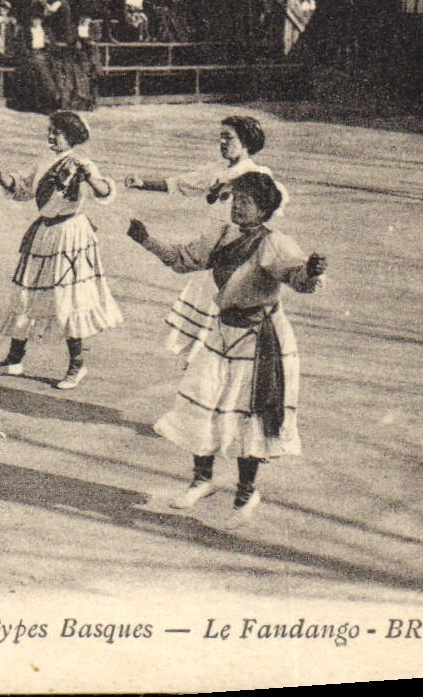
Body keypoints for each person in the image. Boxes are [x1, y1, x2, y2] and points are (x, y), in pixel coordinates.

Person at [127, 172, 326, 523]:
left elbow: (297, 279)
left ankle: (246, 490)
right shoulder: (222, 234)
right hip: (222, 332)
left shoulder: (274, 243)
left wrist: (310, 271)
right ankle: (201, 480)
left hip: (259, 338)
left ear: (264, 209)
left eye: (246, 201)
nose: (237, 205)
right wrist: (147, 241)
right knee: (201, 400)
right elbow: (183, 259)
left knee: (246, 413)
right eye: (236, 198)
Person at [0, 110, 123, 389]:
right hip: (44, 234)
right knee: (26, 292)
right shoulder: (44, 161)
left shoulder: (81, 162)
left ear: (72, 136)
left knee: (68, 297)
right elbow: (23, 188)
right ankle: (14, 359)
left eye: (57, 132)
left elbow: (104, 192)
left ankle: (77, 365)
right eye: (50, 131)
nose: (50, 136)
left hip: (70, 235)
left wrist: (90, 176)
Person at [124, 116, 280, 361]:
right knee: (205, 342)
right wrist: (143, 183)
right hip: (212, 248)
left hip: (238, 257)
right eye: (221, 137)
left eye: (228, 137)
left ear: (246, 141)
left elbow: (273, 206)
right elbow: (182, 183)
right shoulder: (215, 171)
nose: (222, 142)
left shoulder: (257, 174)